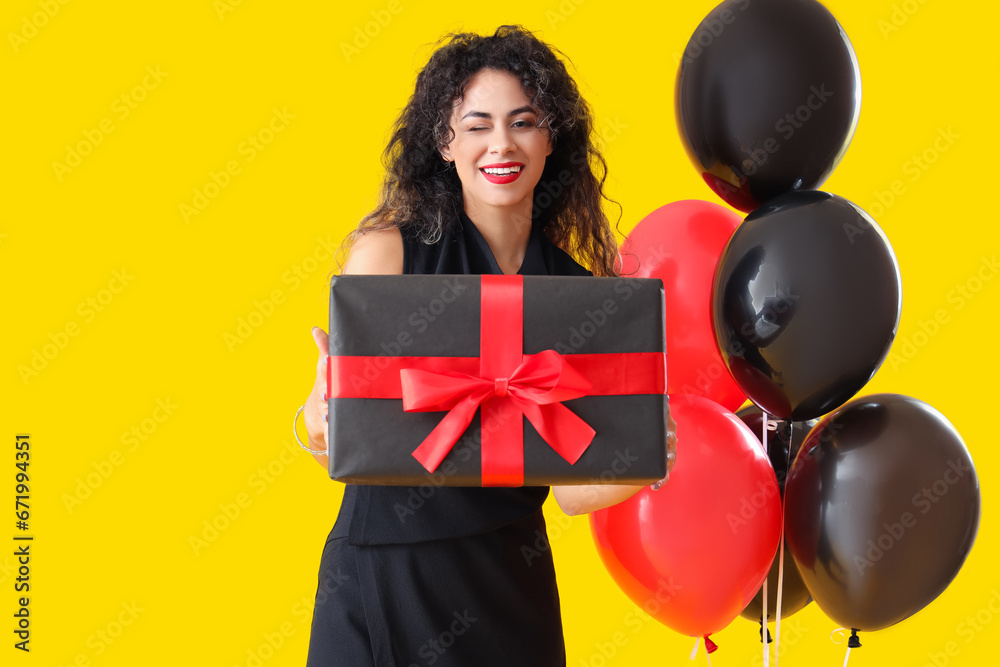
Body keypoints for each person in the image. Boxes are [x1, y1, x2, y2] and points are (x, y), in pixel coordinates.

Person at [298, 25, 677, 666]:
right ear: (445, 143)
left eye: (523, 122)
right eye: (477, 125)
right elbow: (344, 443)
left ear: (550, 138)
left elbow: (570, 491)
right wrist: (313, 420)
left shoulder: (578, 295)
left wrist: (644, 456)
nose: (500, 144)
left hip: (508, 576)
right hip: (385, 568)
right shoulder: (389, 252)